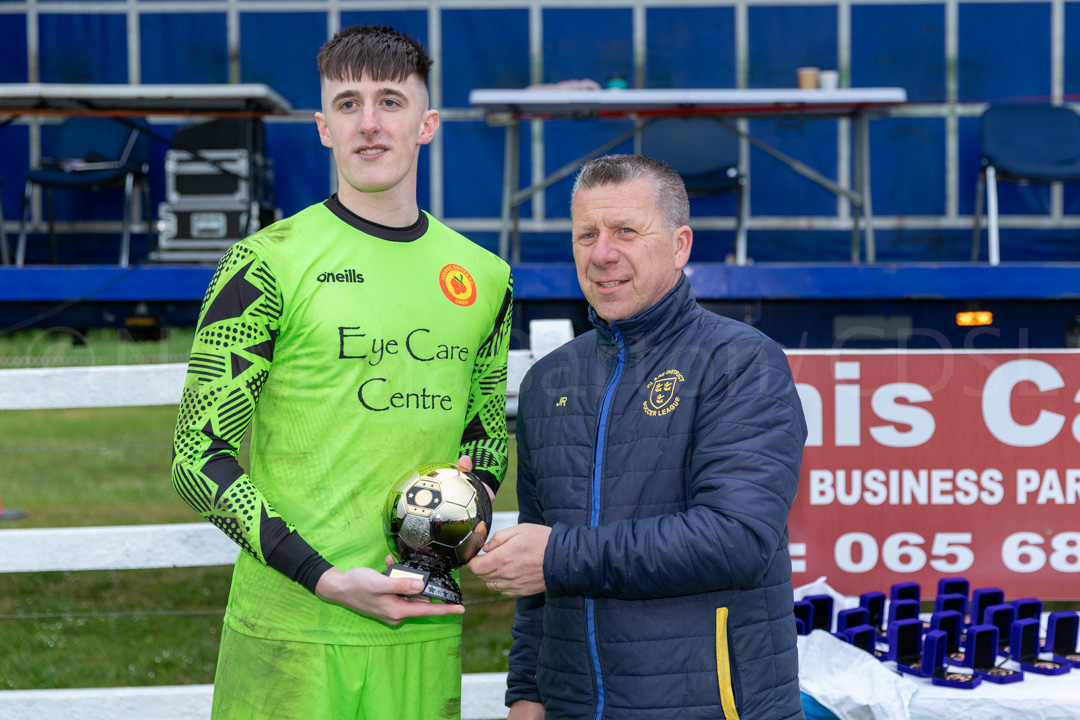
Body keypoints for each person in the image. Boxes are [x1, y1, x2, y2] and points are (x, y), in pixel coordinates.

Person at [171, 24, 513, 720]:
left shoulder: (486, 277)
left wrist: (466, 503)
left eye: (390, 101)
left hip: (420, 630)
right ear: (324, 128)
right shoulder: (264, 263)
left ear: (427, 125)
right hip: (291, 629)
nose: (369, 122)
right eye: (348, 104)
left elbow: (485, 438)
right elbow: (196, 458)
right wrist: (323, 578)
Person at [468, 154, 806, 720]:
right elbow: (537, 568)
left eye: (626, 230)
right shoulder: (549, 381)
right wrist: (526, 692)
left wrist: (556, 555)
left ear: (679, 245)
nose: (602, 253)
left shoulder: (740, 362)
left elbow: (737, 539)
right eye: (587, 234)